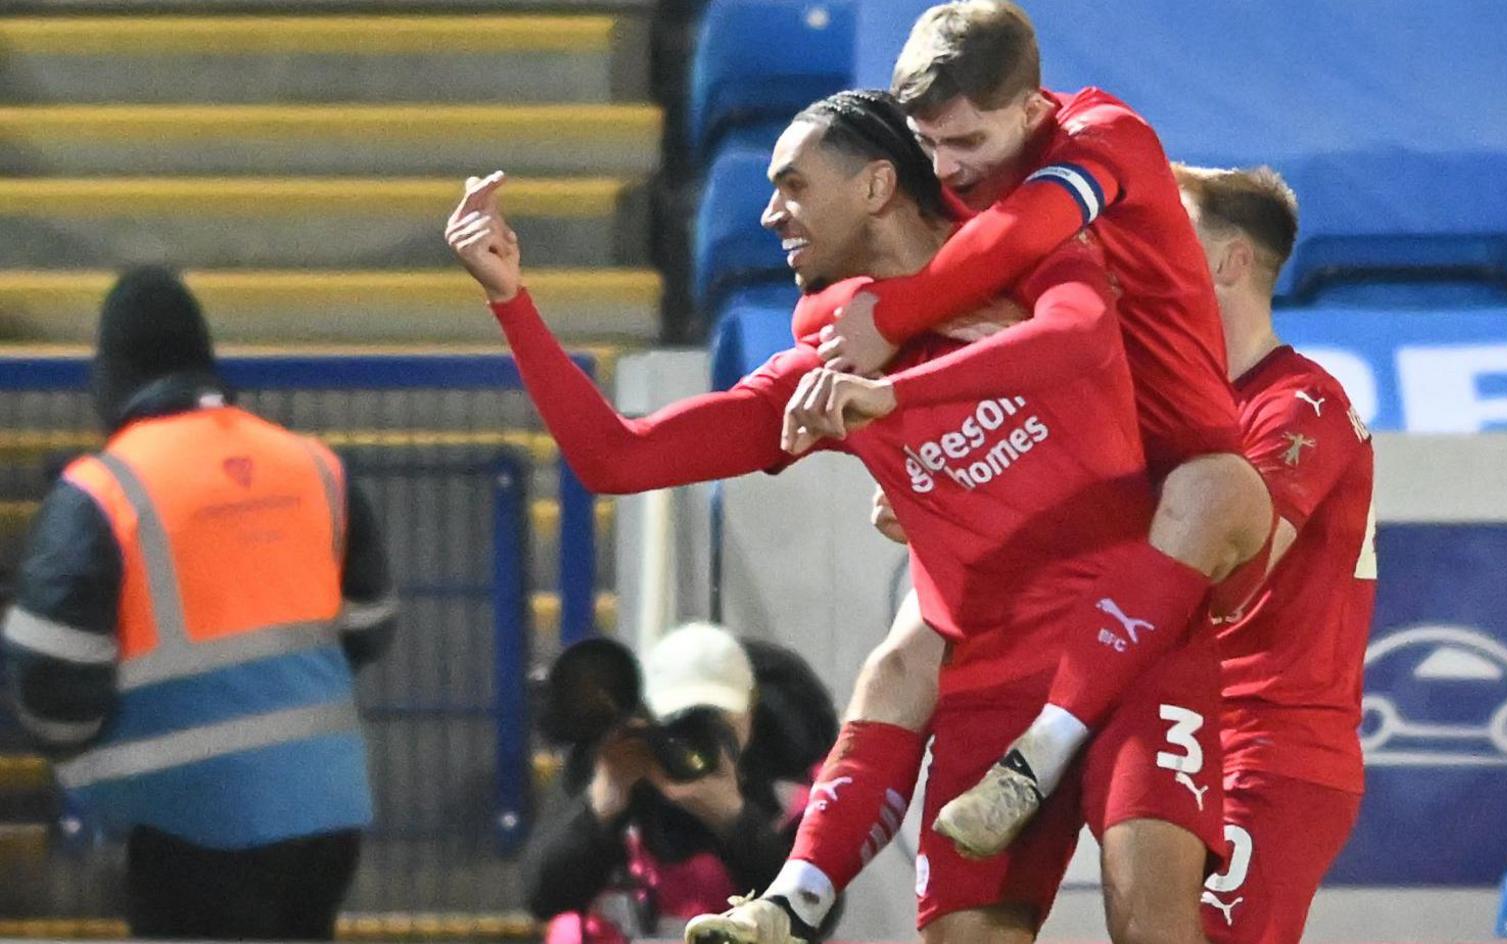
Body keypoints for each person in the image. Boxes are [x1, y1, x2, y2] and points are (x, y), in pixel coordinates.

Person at [450, 88, 1224, 944]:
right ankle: (799, 892)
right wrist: (511, 301)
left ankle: (799, 892)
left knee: (1151, 918)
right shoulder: (818, 372)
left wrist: (889, 385)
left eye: (793, 186)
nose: (773, 214)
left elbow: (1078, 334)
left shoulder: (1035, 268)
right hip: (992, 682)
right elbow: (617, 458)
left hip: (1135, 651)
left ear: (878, 184)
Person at [803, 0, 1275, 854]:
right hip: (1077, 492)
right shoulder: (955, 170)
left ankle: (1040, 755)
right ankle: (798, 890)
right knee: (910, 646)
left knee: (1213, 488)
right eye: (930, 144)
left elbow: (1024, 238)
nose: (947, 167)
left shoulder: (1102, 138)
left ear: (1031, 109)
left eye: (967, 144)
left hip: (1180, 480)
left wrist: (900, 314)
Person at [0, 268, 397, 941]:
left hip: (191, 821)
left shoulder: (103, 491)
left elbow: (48, 680)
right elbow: (370, 626)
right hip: (326, 813)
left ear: (111, 378)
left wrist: (87, 760)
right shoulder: (312, 465)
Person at [1172, 164, 1376, 943]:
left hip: (1273, 744)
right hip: (1182, 732)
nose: (1142, 256)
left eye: (1168, 238)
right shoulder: (1175, 400)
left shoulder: (1303, 404)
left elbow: (1230, 566)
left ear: (1229, 263)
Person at [522, 622, 841, 943]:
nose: (695, 739)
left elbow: (817, 915)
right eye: (680, 722)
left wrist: (735, 820)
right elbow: (542, 898)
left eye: (714, 721)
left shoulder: (784, 790)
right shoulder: (615, 768)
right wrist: (604, 807)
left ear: (750, 710)